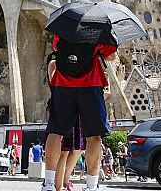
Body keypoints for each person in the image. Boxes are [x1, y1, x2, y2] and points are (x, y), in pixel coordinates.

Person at [41, 35, 118, 191]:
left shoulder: (63, 31)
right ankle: (91, 186)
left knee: (55, 132)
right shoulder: (98, 31)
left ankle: (48, 184)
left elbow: (58, 50)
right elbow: (111, 55)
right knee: (94, 136)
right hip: (91, 85)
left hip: (63, 85)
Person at [47, 48, 84, 191]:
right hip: (62, 107)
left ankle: (65, 180)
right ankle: (58, 185)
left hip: (77, 108)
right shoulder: (54, 63)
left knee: (77, 149)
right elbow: (54, 81)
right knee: (65, 150)